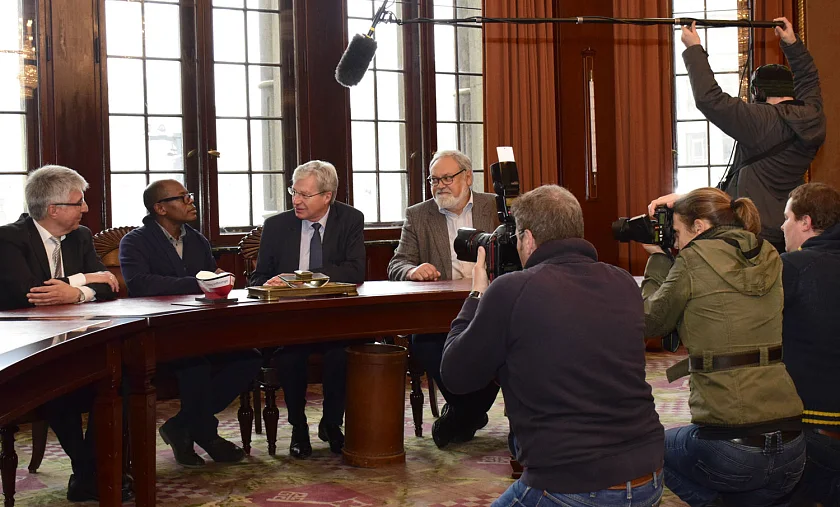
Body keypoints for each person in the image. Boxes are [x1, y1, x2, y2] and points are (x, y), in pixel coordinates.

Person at [442, 185, 664, 506]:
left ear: (528, 239)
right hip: (649, 475)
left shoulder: (512, 290)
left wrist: (478, 293)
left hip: (571, 483)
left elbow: (456, 374)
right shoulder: (623, 281)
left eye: (516, 237)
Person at [643, 187, 805, 506]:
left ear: (700, 228)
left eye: (675, 232)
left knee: (646, 449)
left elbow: (649, 322)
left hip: (730, 448)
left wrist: (658, 257)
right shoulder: (769, 254)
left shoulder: (692, 260)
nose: (674, 241)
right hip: (792, 444)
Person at [0, 165, 125, 501]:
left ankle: (88, 473)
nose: (85, 209)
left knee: (122, 380)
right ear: (53, 209)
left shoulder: (81, 237)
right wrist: (84, 282)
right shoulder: (9, 238)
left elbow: (111, 287)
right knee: (59, 388)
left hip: (78, 339)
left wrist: (78, 292)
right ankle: (90, 471)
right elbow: (29, 293)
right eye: (79, 202)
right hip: (24, 347)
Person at [119, 179, 262, 468]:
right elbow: (140, 284)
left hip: (202, 328)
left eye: (189, 196)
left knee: (249, 359)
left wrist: (218, 280)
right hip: (158, 334)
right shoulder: (135, 241)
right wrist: (198, 281)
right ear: (160, 207)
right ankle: (206, 434)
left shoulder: (197, 239)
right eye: (182, 198)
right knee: (195, 365)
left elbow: (209, 282)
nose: (190, 202)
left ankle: (182, 425)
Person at [249, 160, 365, 458]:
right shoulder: (276, 226)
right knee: (290, 358)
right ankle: (299, 429)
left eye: (305, 194)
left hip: (334, 318)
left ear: (327, 196)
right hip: (290, 321)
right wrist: (274, 282)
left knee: (341, 355)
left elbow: (355, 271)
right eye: (293, 192)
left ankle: (331, 424)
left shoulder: (350, 219)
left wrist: (304, 278)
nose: (296, 200)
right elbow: (258, 277)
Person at [679, 17, 825, 252]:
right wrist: (792, 43)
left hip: (752, 233)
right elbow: (809, 79)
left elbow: (709, 99)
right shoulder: (813, 116)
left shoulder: (760, 121)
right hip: (786, 229)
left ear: (758, 92)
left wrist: (694, 48)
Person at [387, 149, 501, 449]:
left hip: (492, 305)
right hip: (440, 312)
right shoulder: (418, 215)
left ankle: (463, 414)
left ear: (467, 176)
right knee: (424, 341)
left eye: (447, 178)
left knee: (504, 344)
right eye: (434, 179)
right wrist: (413, 270)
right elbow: (396, 263)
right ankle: (470, 411)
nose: (440, 185)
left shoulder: (496, 207)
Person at [779, 182, 840, 507]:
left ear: (805, 222)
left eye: (787, 217)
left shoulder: (793, 267)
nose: (782, 226)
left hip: (813, 426)